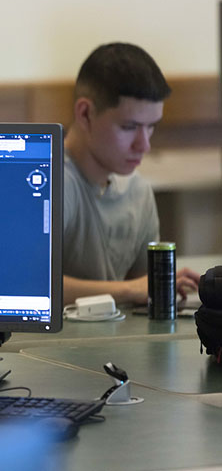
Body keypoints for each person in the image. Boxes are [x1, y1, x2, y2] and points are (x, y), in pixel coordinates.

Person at [62, 42, 200, 306]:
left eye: (150, 127)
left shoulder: (138, 191)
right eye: (129, 127)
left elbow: (143, 290)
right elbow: (25, 288)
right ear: (85, 113)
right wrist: (127, 290)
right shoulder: (47, 185)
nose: (144, 145)